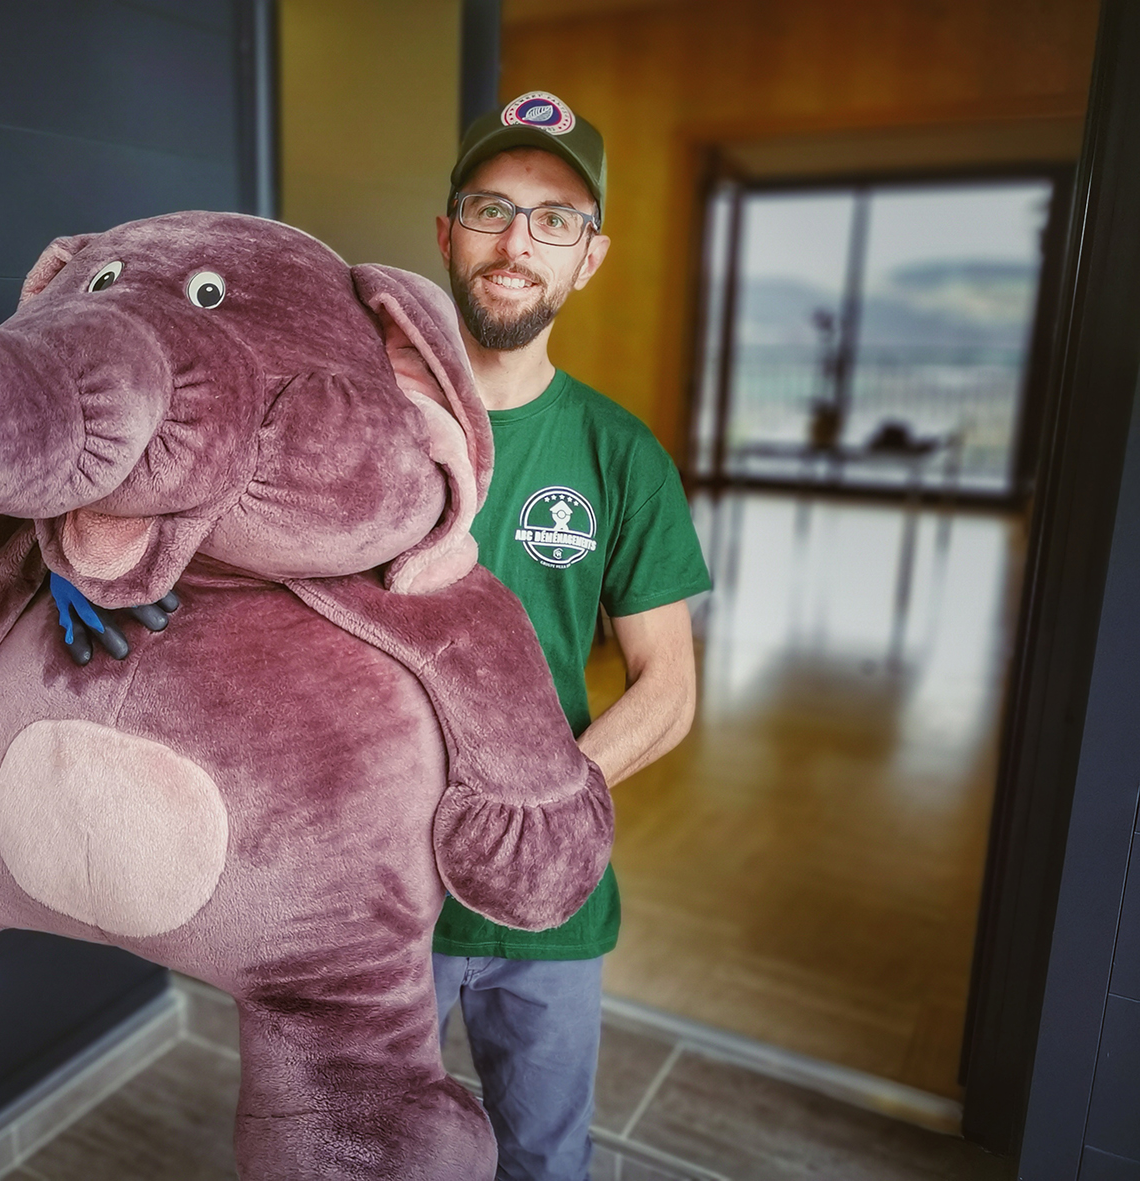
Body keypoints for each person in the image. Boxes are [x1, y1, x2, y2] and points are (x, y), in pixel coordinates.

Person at [430, 91, 713, 1181]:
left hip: (548, 903)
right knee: (353, 1151)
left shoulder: (618, 454)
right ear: (446, 232)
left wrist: (537, 809)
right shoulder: (359, 424)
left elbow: (667, 686)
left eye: (553, 220)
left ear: (588, 258)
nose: (517, 243)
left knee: (545, 1159)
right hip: (370, 891)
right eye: (492, 209)